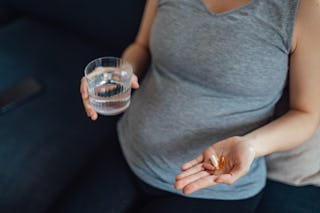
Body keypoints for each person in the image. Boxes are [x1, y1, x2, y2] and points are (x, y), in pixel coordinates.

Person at [80, 0, 320, 212]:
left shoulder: (305, 8)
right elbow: (141, 46)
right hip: (129, 149)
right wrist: (121, 72)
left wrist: (252, 145)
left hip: (213, 187)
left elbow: (306, 114)